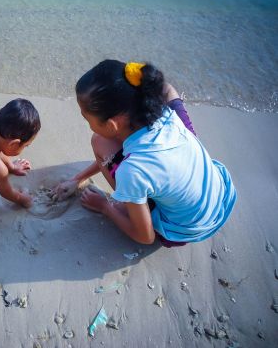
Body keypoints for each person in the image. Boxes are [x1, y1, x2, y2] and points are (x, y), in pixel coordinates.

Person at [56, 60, 236, 246]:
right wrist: (78, 179)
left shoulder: (132, 170)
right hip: (221, 197)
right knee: (182, 137)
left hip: (183, 230)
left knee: (99, 141)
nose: (88, 124)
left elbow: (145, 237)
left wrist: (105, 207)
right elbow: (167, 89)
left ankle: (128, 204)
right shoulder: (167, 112)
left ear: (111, 124)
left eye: (87, 119)